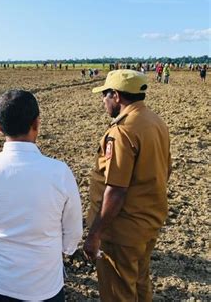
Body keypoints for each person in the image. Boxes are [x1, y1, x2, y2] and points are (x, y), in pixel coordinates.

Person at [0, 90, 83, 301]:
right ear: (37, 123)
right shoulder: (59, 172)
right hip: (44, 284)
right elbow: (74, 230)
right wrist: (63, 251)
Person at [84, 69, 171, 302]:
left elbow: (116, 189)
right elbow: (165, 170)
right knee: (140, 284)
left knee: (117, 292)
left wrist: (95, 234)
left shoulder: (122, 132)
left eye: (105, 94)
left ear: (117, 96)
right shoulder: (155, 121)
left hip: (121, 231)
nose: (103, 100)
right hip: (148, 222)